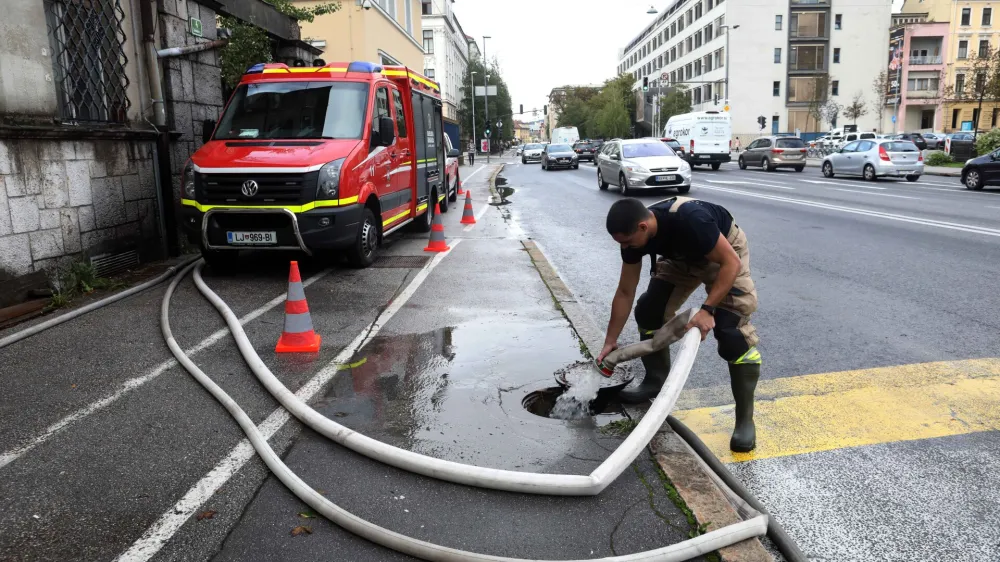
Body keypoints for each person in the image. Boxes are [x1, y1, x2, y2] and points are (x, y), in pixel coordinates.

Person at [598, 197, 762, 452]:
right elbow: (625, 292)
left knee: (731, 332)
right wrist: (610, 341)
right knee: (649, 310)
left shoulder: (690, 219)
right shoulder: (633, 238)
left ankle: (744, 421)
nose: (625, 248)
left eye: (627, 242)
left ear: (643, 226)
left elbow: (731, 263)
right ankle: (654, 381)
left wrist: (707, 310)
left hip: (724, 254)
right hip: (682, 257)